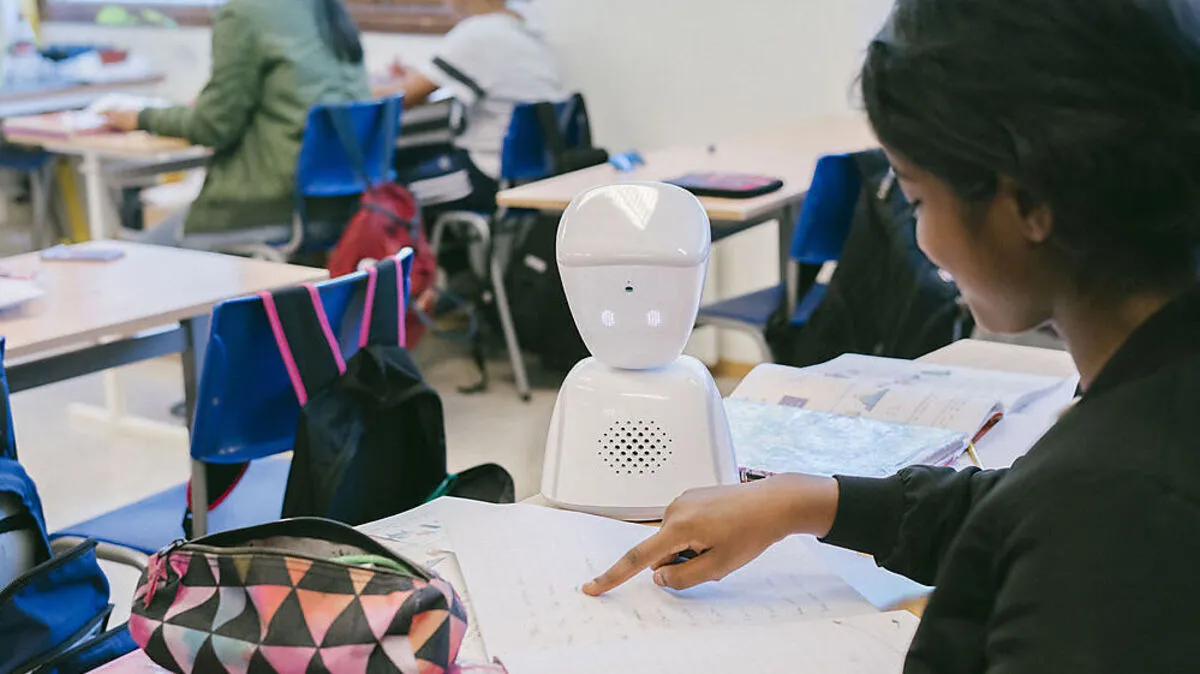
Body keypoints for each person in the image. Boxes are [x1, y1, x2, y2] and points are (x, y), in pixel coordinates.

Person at [583, 0, 1200, 671]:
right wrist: (805, 500)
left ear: (1026, 204)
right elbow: (1021, 506)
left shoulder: (1120, 509)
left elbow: (1076, 517)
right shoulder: (1152, 404)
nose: (924, 241)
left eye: (917, 201)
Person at [104, 0, 370, 248]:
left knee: (137, 258)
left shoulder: (246, 12)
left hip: (269, 206)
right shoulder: (323, 8)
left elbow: (211, 125)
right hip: (341, 206)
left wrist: (142, 117)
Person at [383, 0, 564, 213]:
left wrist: (360, 90)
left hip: (486, 174)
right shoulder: (525, 30)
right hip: (530, 171)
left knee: (387, 193)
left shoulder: (477, 33)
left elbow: (404, 97)